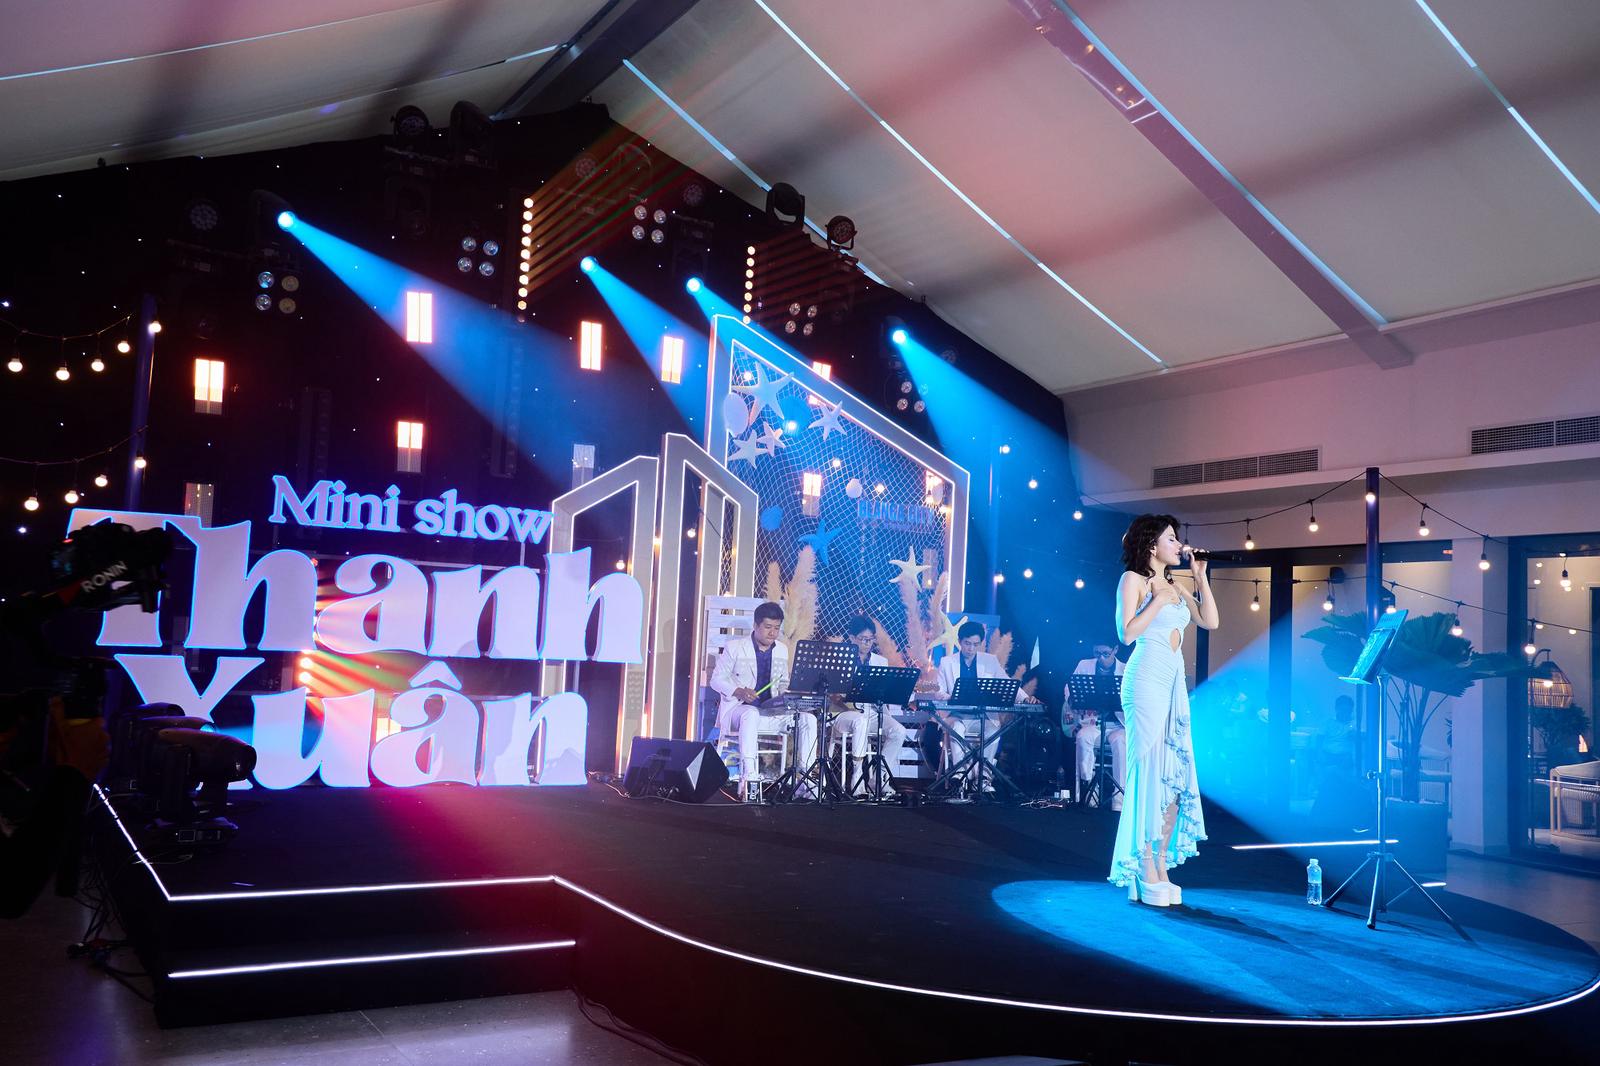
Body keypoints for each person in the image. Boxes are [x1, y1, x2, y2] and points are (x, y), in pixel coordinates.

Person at [1109, 515, 1218, 907]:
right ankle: (1142, 864)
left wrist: (1200, 577)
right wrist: (1156, 599)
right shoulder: (1133, 580)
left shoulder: (1177, 583)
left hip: (1173, 681)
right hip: (1145, 679)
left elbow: (1210, 621)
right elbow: (1126, 633)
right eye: (1171, 539)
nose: (1179, 545)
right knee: (1150, 770)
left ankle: (1159, 863)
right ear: (1151, 545)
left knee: (1173, 774)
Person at [710, 602, 817, 801]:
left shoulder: (782, 649)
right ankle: (749, 777)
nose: (773, 633)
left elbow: (782, 683)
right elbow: (716, 680)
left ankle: (806, 779)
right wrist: (739, 691)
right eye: (768, 627)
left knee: (807, 719)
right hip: (739, 711)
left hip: (771, 712)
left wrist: (788, 694)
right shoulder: (735, 648)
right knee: (750, 713)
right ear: (756, 625)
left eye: (776, 628)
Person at [932, 621, 1039, 791]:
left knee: (993, 732)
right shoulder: (947, 662)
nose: (971, 648)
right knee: (956, 729)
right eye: (967, 643)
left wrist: (1025, 698)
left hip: (982, 716)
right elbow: (938, 692)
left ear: (981, 643)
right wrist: (952, 697)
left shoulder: (989, 661)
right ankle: (960, 775)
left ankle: (983, 778)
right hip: (956, 715)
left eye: (975, 644)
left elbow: (1007, 683)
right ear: (960, 641)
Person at [829, 616, 909, 797]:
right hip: (844, 712)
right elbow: (832, 692)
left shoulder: (880, 661)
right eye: (862, 639)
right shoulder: (839, 657)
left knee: (899, 731)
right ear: (851, 638)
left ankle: (879, 779)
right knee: (860, 721)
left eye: (870, 639)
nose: (867, 643)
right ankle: (857, 780)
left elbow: (883, 691)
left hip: (871, 712)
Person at [1065, 641, 1126, 810]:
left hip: (1119, 725)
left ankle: (1119, 801)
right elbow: (1069, 688)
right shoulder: (1084, 665)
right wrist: (1073, 699)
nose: (1101, 658)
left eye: (1105, 654)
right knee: (1083, 737)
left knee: (1120, 742)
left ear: (1115, 649)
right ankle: (1089, 794)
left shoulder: (1126, 669)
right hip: (1094, 722)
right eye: (1097, 653)